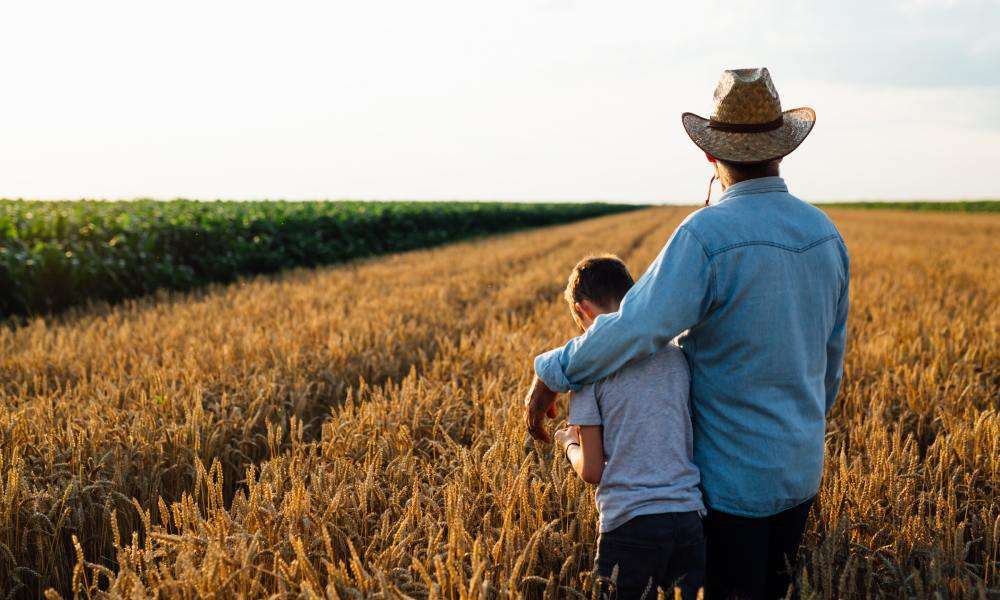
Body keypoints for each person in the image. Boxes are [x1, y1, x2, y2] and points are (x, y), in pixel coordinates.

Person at [524, 68, 850, 600]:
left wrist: (553, 372)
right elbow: (830, 369)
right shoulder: (825, 235)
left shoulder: (707, 235)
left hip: (728, 487)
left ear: (710, 155)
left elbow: (635, 328)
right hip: (799, 472)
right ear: (782, 152)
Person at [553, 254, 705, 600]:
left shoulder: (587, 371)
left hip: (630, 525)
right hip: (688, 517)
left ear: (583, 310)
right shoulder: (674, 354)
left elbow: (592, 470)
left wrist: (567, 442)